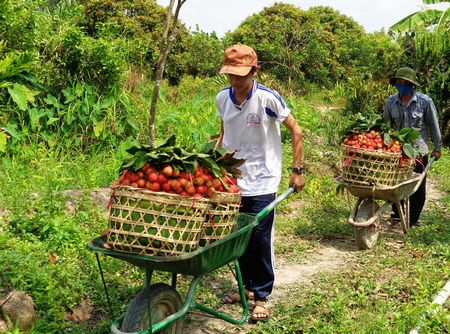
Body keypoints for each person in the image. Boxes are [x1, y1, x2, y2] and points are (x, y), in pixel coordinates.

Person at [216, 44, 306, 322]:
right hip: (234, 180)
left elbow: (296, 129)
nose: (236, 80)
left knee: (260, 238)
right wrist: (214, 166)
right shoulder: (222, 98)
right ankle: (246, 287)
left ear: (254, 70)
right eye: (231, 74)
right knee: (237, 237)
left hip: (264, 179)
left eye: (241, 74)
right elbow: (223, 133)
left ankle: (262, 296)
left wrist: (297, 170)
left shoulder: (267, 98)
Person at [383, 67, 442, 228]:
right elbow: (385, 125)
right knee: (395, 185)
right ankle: (396, 215)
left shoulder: (425, 102)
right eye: (399, 82)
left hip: (418, 151)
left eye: (405, 83)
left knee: (417, 187)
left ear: (411, 85)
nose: (401, 86)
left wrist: (437, 147)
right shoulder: (391, 102)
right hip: (397, 152)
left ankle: (413, 219)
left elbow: (433, 126)